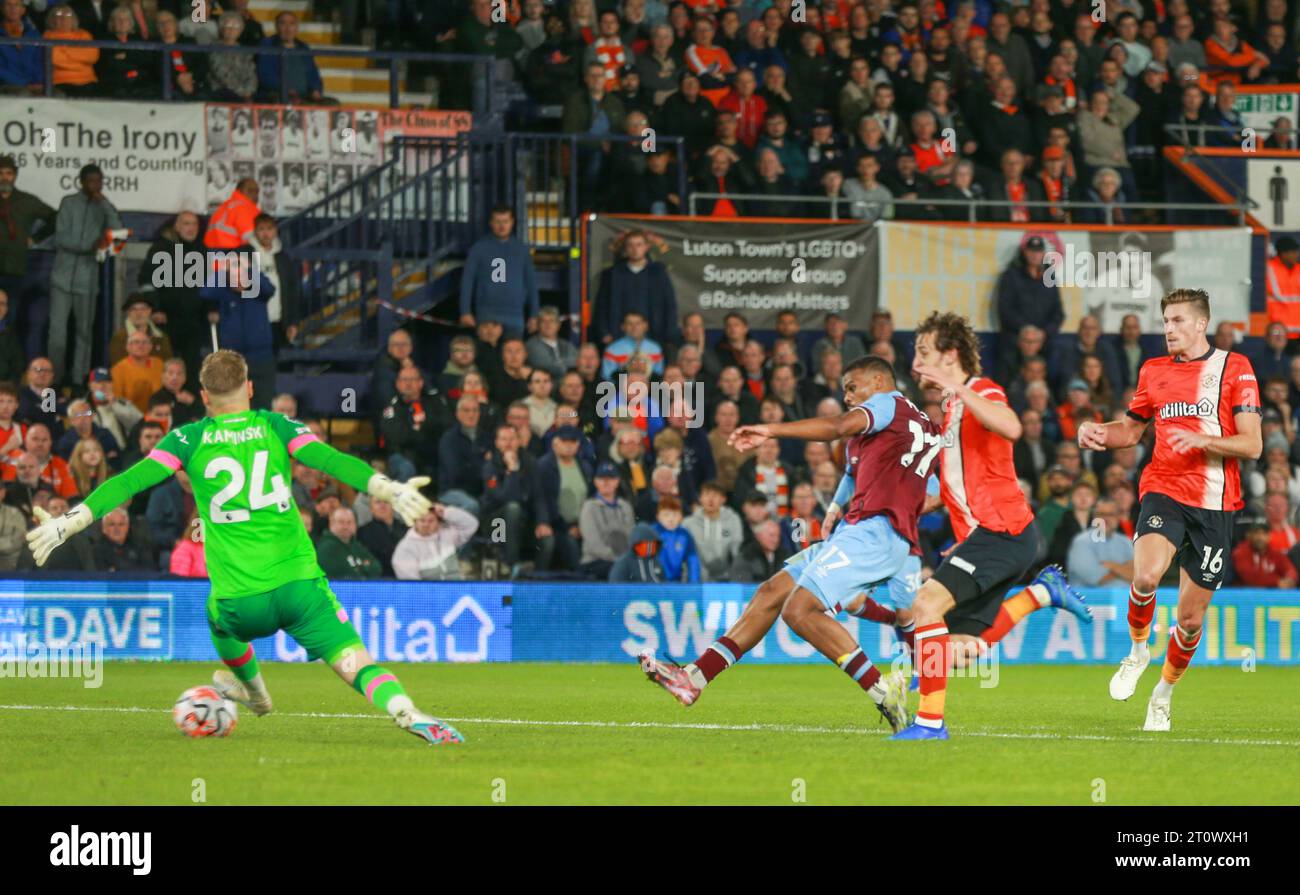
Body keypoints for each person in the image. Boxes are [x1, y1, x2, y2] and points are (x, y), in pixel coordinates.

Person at [26, 349, 464, 745]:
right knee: (354, 660)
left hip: (240, 599)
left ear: (202, 396)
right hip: (299, 588)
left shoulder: (187, 438)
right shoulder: (276, 425)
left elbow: (130, 480)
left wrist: (73, 520)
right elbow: (328, 458)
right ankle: (404, 710)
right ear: (250, 388)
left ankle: (255, 692)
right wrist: (385, 488)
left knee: (218, 620)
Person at [642, 356, 940, 731]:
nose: (848, 396)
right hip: (868, 531)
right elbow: (935, 491)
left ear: (879, 380)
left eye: (852, 387)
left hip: (873, 533)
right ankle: (695, 678)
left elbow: (836, 426)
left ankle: (884, 692)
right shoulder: (923, 426)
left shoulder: (886, 404)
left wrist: (769, 429)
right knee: (773, 591)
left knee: (800, 611)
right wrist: (889, 508)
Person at [895, 312, 1093, 741]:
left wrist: (959, 387)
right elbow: (956, 486)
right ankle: (1042, 593)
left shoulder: (980, 391)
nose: (916, 361)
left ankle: (929, 725)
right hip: (985, 538)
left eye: (923, 352)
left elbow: (1012, 426)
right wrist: (915, 510)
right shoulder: (952, 410)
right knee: (961, 649)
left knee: (925, 605)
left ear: (950, 355)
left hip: (1003, 530)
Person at [1078, 289, 1261, 732]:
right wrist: (1098, 431)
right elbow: (1131, 430)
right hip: (1163, 488)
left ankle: (1163, 693)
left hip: (1215, 505)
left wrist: (1204, 441)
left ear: (1201, 324)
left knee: (1190, 618)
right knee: (1145, 575)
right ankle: (1138, 650)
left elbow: (1252, 444)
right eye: (1165, 321)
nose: (1169, 329)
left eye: (1178, 320)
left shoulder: (1235, 368)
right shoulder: (1153, 370)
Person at [51, 164, 122, 387]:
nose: (95, 185)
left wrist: (106, 204)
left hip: (88, 281)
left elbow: (117, 231)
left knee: (84, 335)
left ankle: (78, 380)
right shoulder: (68, 202)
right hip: (62, 279)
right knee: (58, 335)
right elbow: (61, 238)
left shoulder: (102, 206)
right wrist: (89, 246)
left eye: (99, 181)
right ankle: (55, 379)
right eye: (91, 181)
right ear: (81, 182)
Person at [0, 154, 56, 360]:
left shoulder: (26, 201)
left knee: (11, 322)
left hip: (15, 272)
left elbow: (55, 217)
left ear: (14, 176)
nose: (4, 178)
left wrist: (36, 238)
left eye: (8, 173)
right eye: (1, 173)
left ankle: (8, 371)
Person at [458, 206, 540, 338]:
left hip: (515, 314)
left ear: (512, 222)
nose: (502, 226)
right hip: (486, 314)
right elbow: (467, 280)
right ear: (491, 223)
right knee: (488, 355)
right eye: (498, 222)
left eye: (505, 221)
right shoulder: (479, 248)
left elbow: (531, 283)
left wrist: (534, 315)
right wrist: (465, 311)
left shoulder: (522, 250)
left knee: (513, 354)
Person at [592, 230, 680, 348]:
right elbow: (602, 305)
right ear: (625, 248)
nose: (635, 249)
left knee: (649, 366)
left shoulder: (658, 272)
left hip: (654, 337)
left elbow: (669, 304)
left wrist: (670, 334)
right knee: (623, 367)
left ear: (646, 247)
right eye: (630, 245)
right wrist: (604, 332)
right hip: (619, 338)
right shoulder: (613, 274)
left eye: (639, 244)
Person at [390, 502, 479, 581]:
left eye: (431, 521)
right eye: (422, 520)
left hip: (456, 589)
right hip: (429, 595)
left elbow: (471, 524)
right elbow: (412, 586)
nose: (426, 524)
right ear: (415, 522)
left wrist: (445, 512)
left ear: (438, 523)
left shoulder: (447, 534)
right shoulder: (405, 548)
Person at [256, 12, 328, 104]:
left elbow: (313, 73)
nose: (288, 28)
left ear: (297, 27)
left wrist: (316, 89)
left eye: (292, 24)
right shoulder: (267, 45)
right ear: (276, 26)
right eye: (283, 23)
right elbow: (265, 75)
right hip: (277, 95)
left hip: (304, 97)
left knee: (331, 104)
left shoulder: (303, 47)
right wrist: (286, 89)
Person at [316, 507, 382, 580]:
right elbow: (346, 573)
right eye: (341, 522)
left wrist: (358, 569)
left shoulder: (356, 544)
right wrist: (363, 566)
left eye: (349, 522)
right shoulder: (326, 547)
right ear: (331, 524)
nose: (345, 526)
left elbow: (377, 567)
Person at [1232, 518, 1298, 588]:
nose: (1260, 537)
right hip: (1244, 596)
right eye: (1256, 533)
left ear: (1270, 536)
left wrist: (1290, 580)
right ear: (1249, 535)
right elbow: (1249, 576)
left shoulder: (1274, 553)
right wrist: (1277, 582)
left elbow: (1290, 570)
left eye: (1264, 533)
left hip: (1270, 596)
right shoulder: (1241, 552)